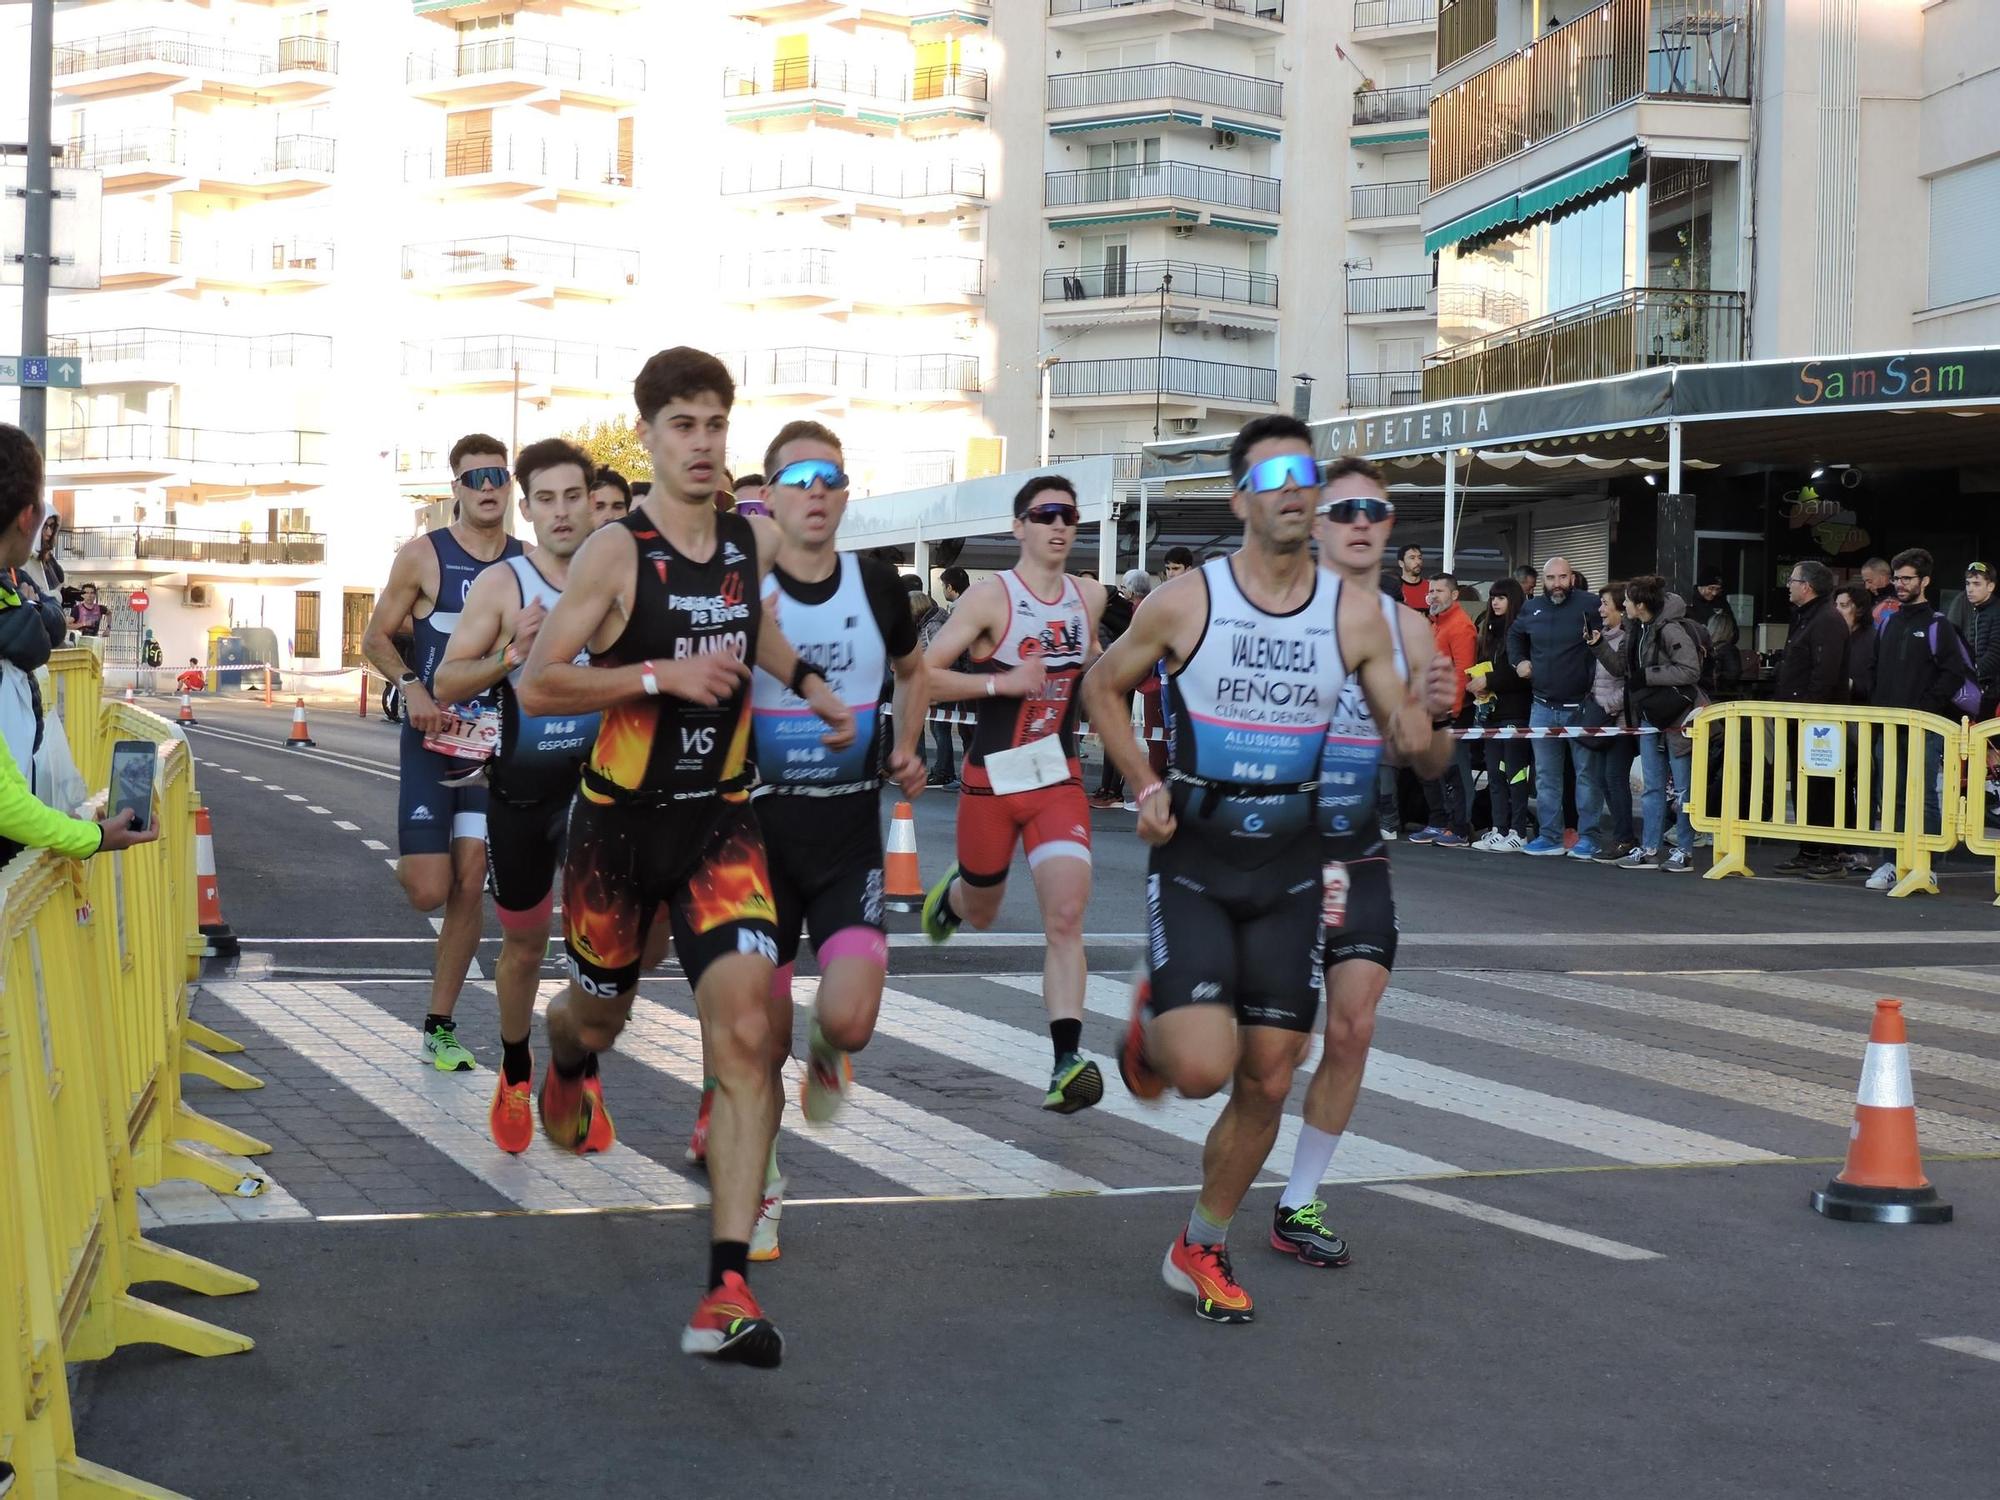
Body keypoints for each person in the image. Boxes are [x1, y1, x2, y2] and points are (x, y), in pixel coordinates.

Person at [518, 347, 851, 1368]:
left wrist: (815, 688)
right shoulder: (617, 554)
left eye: (715, 425)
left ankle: (725, 1289)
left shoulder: (749, 539)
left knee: (750, 1037)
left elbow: (749, 629)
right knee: (601, 1008)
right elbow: (537, 684)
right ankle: (567, 1055)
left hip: (721, 821)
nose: (702, 444)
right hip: (619, 827)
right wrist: (657, 674)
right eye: (682, 427)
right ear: (651, 435)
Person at [1083, 421, 1428, 1324]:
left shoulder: (1353, 615)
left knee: (1272, 1074)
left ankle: (1200, 1242)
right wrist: (1142, 779)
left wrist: (1420, 730)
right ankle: (1156, 1017)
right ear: (1241, 499)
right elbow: (1101, 687)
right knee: (1200, 1072)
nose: (1293, 488)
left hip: (1293, 868)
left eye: (1305, 475)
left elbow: (1402, 724)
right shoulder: (1185, 601)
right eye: (1272, 476)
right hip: (1197, 857)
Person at [721, 419, 929, 1261]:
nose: (816, 490)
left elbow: (915, 670)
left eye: (831, 478)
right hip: (755, 843)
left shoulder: (878, 586)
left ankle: (830, 1050)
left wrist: (907, 746)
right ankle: (766, 1188)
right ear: (766, 495)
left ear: (847, 497)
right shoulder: (739, 587)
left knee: (849, 1020)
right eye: (799, 477)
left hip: (846, 836)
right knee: (756, 1046)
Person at [1269, 456, 1454, 1272]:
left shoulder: (1410, 630)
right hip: (1270, 856)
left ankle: (1299, 1199)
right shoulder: (1275, 608)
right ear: (1315, 524)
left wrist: (1437, 719)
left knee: (1353, 1028)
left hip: (1357, 852)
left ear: (1388, 527)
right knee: (1272, 1056)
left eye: (1373, 511)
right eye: (1341, 508)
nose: (1358, 522)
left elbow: (1428, 762)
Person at [919, 475, 1108, 1114]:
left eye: (1069, 515)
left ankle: (1065, 1060)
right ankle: (959, 893)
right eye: (1044, 514)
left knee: (1064, 915)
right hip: (992, 783)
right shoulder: (990, 600)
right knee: (984, 914)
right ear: (1019, 526)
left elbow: (1101, 668)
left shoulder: (1091, 597)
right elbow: (925, 678)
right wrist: (1002, 686)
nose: (1058, 525)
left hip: (1057, 779)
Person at [431, 437, 601, 1153]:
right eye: (547, 500)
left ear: (592, 502)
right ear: (526, 509)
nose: (562, 512)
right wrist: (509, 655)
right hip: (524, 794)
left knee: (601, 949)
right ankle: (515, 1067)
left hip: (600, 794)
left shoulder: (620, 579)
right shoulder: (503, 585)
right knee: (527, 945)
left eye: (574, 497)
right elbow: (444, 683)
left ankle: (579, 1073)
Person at [362, 435, 525, 1072]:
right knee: (429, 889)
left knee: (469, 881)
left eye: (497, 476)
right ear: (455, 488)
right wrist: (410, 687)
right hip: (431, 740)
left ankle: (440, 1025)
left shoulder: (528, 564)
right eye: (474, 477)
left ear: (509, 486)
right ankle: (411, 848)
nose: (487, 487)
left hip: (491, 750)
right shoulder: (424, 557)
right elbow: (376, 637)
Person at [1865, 548, 1972, 893]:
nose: (1900, 584)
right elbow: (1876, 668)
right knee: (1889, 794)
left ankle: (1926, 864)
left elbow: (1954, 672)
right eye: (1896, 577)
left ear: (1925, 581)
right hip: (1889, 724)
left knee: (1923, 793)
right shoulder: (1889, 622)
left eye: (1907, 578)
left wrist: (1926, 708)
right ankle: (1893, 861)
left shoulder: (1938, 624)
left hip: (1925, 725)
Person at [1592, 575, 1699, 873]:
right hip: (1650, 716)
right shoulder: (1635, 630)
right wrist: (1599, 646)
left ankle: (1684, 850)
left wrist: (1649, 676)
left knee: (1683, 789)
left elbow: (1690, 670)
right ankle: (1651, 848)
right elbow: (1623, 670)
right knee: (1652, 788)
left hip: (1678, 717)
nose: (1622, 604)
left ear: (1640, 605)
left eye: (1626, 600)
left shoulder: (1671, 629)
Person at [1507, 556, 1605, 858]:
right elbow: (1514, 635)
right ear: (1543, 581)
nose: (1557, 584)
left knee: (1587, 776)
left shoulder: (1589, 604)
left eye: (1563, 577)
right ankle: (1550, 836)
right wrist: (1519, 661)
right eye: (1551, 578)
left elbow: (1612, 635)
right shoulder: (1531, 607)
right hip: (1542, 705)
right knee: (1547, 778)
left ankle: (1589, 837)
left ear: (1572, 578)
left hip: (1582, 706)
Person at [1769, 561, 1849, 879]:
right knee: (1804, 783)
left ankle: (1829, 855)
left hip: (1819, 720)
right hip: (1798, 715)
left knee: (1822, 785)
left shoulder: (1827, 619)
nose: (1788, 584)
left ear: (1807, 586)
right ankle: (1808, 849)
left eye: (1792, 580)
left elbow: (1825, 673)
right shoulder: (1804, 617)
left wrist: (1808, 710)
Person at [1412, 574, 1475, 847]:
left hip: (1450, 712)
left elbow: (1462, 670)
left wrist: (1454, 708)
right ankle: (1438, 821)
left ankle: (1459, 827)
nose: (1433, 595)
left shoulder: (1461, 626)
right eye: (1431, 590)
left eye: (1439, 591)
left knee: (1454, 772)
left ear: (1455, 595)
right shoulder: (1434, 624)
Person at [1470, 578, 1534, 850]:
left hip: (1516, 713)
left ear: (1513, 600)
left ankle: (1518, 831)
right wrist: (1475, 683)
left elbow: (1520, 673)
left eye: (1502, 597)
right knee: (1494, 775)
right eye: (1493, 597)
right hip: (1491, 713)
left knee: (1516, 775)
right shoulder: (1487, 631)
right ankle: (1499, 827)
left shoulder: (1523, 631)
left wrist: (1489, 681)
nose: (1495, 602)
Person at [1580, 583, 1635, 858]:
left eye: (1605, 603)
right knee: (1603, 778)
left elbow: (1630, 681)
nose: (1600, 609)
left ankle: (1626, 838)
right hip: (1601, 720)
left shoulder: (1627, 640)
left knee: (1615, 777)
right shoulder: (1601, 639)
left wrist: (1609, 706)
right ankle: (1621, 836)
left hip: (1620, 721)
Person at [1830, 582, 1878, 876]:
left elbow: (1875, 681)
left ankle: (1861, 847)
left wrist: (1853, 685)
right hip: (1836, 717)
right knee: (1839, 781)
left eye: (1844, 605)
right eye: (1836, 605)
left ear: (1859, 609)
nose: (1838, 611)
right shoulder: (1836, 635)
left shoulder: (1871, 638)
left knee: (1866, 784)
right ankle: (1841, 844)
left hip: (1864, 716)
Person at [1959, 562, 1999, 717]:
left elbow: (1994, 654)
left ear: (1990, 587)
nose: (1970, 589)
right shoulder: (1978, 610)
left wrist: (1969, 675)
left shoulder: (1996, 611)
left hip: (1992, 693)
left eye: (1977, 584)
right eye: (1968, 583)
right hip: (1981, 689)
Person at [1692, 570, 1742, 685]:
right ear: (1701, 586)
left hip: (1719, 654)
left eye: (1718, 589)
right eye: (1711, 588)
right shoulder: (1689, 602)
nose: (1714, 593)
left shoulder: (1721, 602)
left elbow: (1733, 629)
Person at [27, 513, 64, 597]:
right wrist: (57, 595)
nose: (49, 533)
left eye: (52, 527)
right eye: (44, 526)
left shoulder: (52, 562)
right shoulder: (23, 562)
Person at [1862, 557, 1898, 626]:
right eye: (1865, 582)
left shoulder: (1900, 598)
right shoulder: (1867, 598)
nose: (1867, 587)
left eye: (1869, 581)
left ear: (1883, 577)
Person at [1393, 543, 1428, 613]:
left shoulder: (1431, 587)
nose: (1418, 562)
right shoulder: (1394, 588)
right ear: (1401, 563)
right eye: (1412, 558)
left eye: (1420, 558)